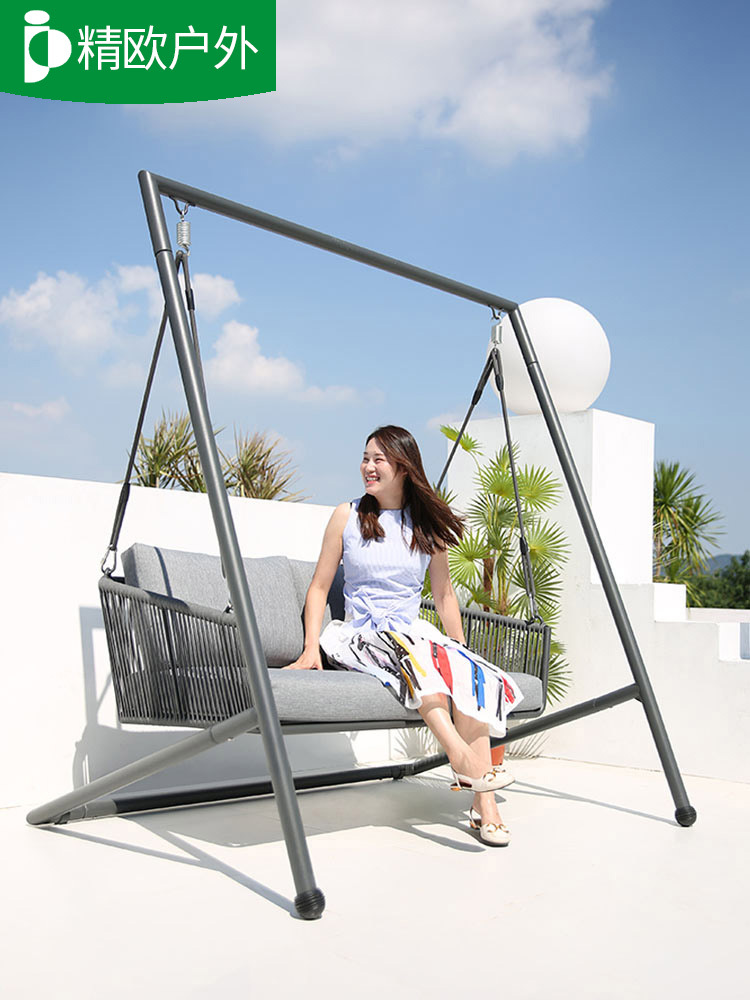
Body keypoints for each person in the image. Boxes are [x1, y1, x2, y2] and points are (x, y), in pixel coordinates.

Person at [283, 425, 522, 846]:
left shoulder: (426, 525)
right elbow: (319, 588)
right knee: (418, 659)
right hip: (363, 635)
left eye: (378, 459)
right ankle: (462, 759)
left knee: (466, 673)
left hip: (411, 633)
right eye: (365, 458)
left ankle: (485, 804)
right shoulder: (347, 516)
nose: (368, 467)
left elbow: (444, 595)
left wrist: (458, 646)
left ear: (404, 468)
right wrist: (309, 649)